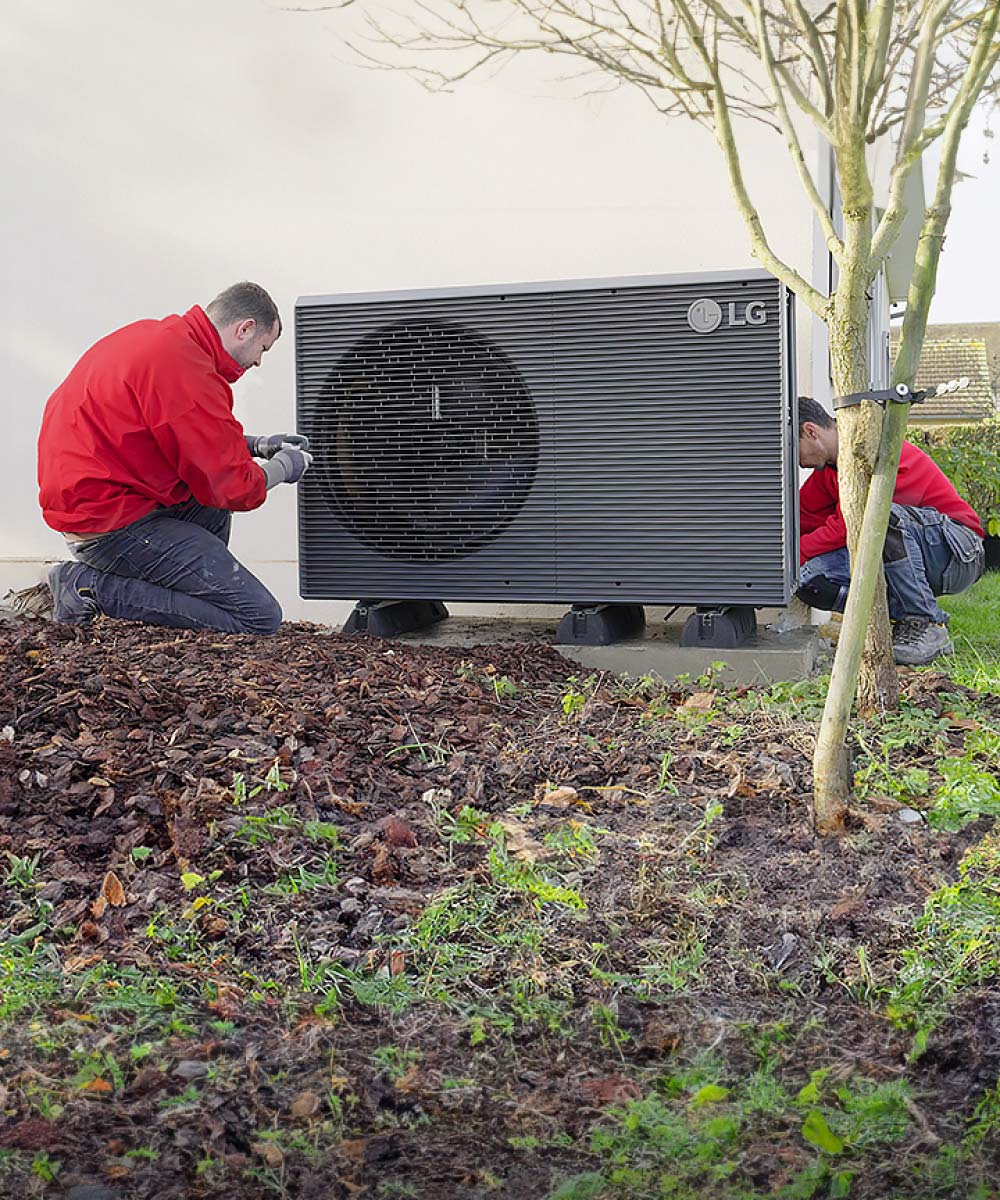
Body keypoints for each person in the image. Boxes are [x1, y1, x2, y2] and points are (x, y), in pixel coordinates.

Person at [37, 282, 312, 634]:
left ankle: (184, 604)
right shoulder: (187, 371)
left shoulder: (163, 341)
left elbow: (175, 430)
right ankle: (85, 586)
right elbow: (236, 487)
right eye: (263, 347)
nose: (258, 360)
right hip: (107, 523)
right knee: (257, 617)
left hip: (103, 498)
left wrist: (257, 445)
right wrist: (285, 467)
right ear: (244, 328)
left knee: (209, 505)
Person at [796, 396, 984, 666]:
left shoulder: (877, 455)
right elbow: (802, 516)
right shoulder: (830, 471)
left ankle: (927, 624)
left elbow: (849, 525)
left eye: (795, 449)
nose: (797, 462)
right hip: (914, 549)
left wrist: (798, 552)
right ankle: (892, 622)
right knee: (808, 580)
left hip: (958, 552)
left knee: (880, 514)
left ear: (810, 431)